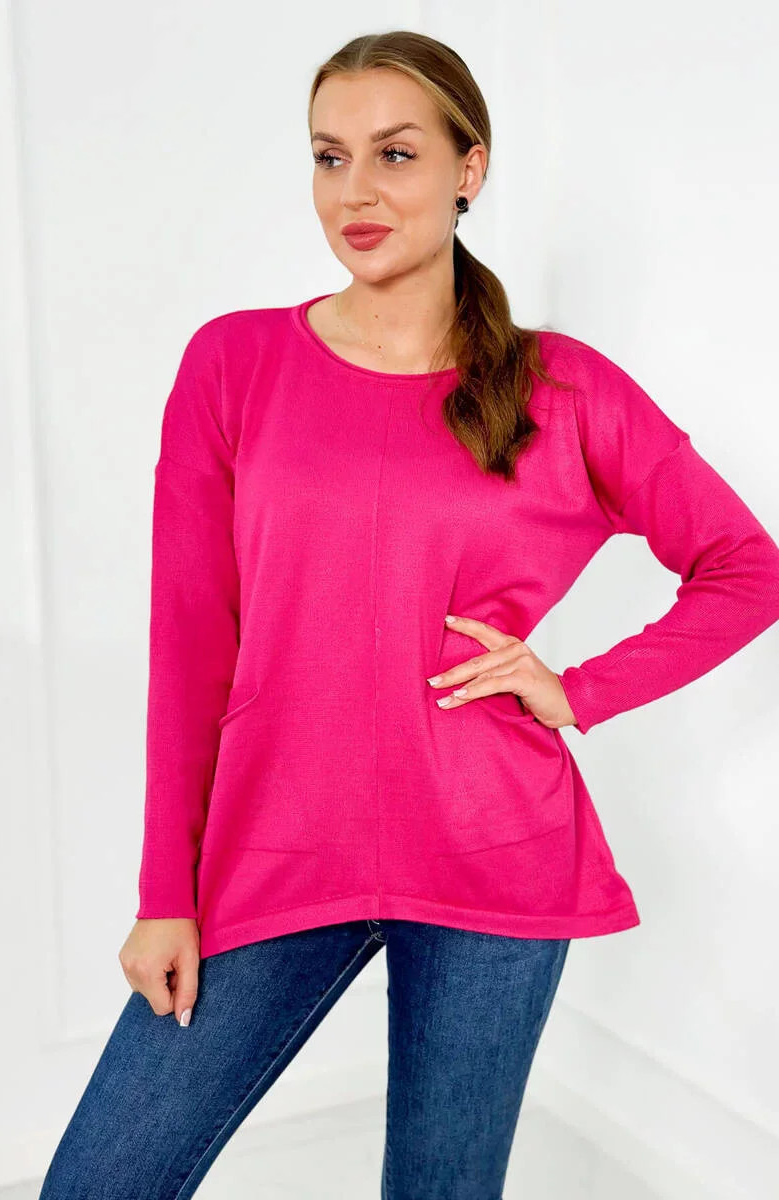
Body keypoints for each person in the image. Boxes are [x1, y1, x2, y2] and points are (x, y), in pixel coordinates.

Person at [38, 30, 779, 1200]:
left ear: (467, 169)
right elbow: (189, 647)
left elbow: (745, 566)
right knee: (101, 1179)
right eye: (328, 157)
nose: (355, 192)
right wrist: (163, 894)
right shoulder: (234, 364)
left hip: (493, 854)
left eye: (394, 154)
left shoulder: (562, 386)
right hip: (274, 849)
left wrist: (577, 691)